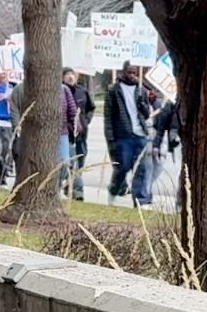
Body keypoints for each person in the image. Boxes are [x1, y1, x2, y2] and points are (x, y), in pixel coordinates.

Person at [105, 66, 159, 207]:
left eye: (134, 73)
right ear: (123, 72)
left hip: (140, 134)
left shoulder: (141, 89)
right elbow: (108, 117)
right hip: (123, 135)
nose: (132, 75)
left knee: (142, 168)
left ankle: (141, 200)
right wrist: (111, 139)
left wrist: (142, 103)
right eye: (129, 72)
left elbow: (146, 114)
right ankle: (114, 189)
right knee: (123, 167)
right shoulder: (113, 90)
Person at [60, 68, 94, 201]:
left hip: (81, 135)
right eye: (67, 74)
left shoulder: (82, 91)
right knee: (70, 162)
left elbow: (91, 108)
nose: (70, 77)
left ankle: (71, 187)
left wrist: (85, 121)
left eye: (72, 74)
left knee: (79, 162)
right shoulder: (62, 91)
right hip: (67, 135)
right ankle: (76, 190)